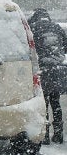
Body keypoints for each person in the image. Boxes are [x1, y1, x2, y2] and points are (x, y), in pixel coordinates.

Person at [28, 8, 67, 144]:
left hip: (41, 70)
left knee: (42, 103)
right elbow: (65, 47)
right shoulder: (57, 28)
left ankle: (44, 135)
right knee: (55, 102)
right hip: (57, 70)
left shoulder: (32, 28)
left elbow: (29, 49)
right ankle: (58, 134)